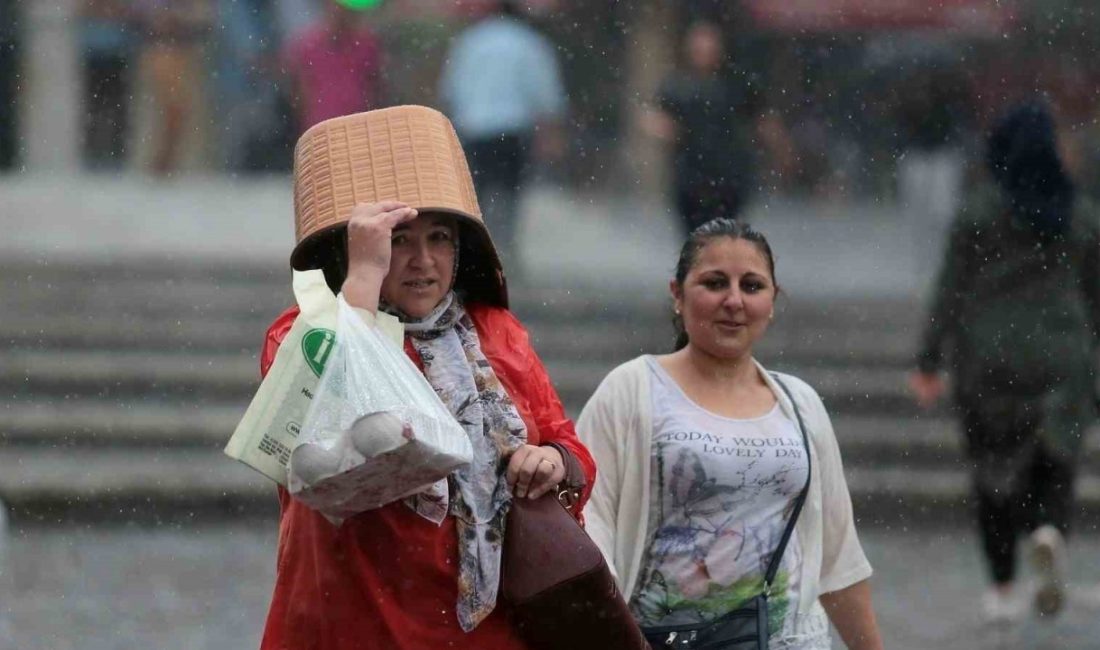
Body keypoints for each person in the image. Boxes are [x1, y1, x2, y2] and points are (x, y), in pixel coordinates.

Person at [257, 108, 596, 649]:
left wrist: (553, 460)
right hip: (353, 617)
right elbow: (317, 428)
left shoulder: (495, 333)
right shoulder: (302, 333)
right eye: (398, 239)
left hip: (485, 629)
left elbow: (567, 441)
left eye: (438, 238)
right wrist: (365, 276)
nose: (422, 261)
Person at [577, 219, 884, 648]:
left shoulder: (801, 404)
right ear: (677, 295)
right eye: (715, 282)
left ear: (773, 301)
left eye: (753, 286)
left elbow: (838, 559)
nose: (734, 301)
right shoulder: (631, 390)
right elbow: (589, 527)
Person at [910, 101, 1100, 623]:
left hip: (990, 357)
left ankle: (1001, 587)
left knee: (992, 471)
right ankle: (1048, 529)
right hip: (1063, 356)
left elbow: (949, 289)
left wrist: (928, 359)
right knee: (1056, 462)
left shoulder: (979, 210)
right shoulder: (1079, 213)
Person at [438, 0, 567, 275]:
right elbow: (545, 92)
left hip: (474, 129)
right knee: (509, 193)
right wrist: (550, 134)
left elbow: (451, 88)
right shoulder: (529, 42)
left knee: (475, 195)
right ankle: (505, 251)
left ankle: (473, 252)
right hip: (512, 130)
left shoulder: (470, 41)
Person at [640, 22, 788, 233]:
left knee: (722, 236)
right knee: (694, 238)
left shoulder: (736, 83)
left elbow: (763, 118)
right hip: (690, 177)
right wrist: (660, 128)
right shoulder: (677, 85)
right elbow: (653, 116)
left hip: (729, 177)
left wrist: (779, 150)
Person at [281, 0, 384, 134]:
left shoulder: (367, 44)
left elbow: (374, 88)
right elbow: (300, 94)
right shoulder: (305, 47)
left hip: (360, 129)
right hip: (321, 132)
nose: (339, 12)